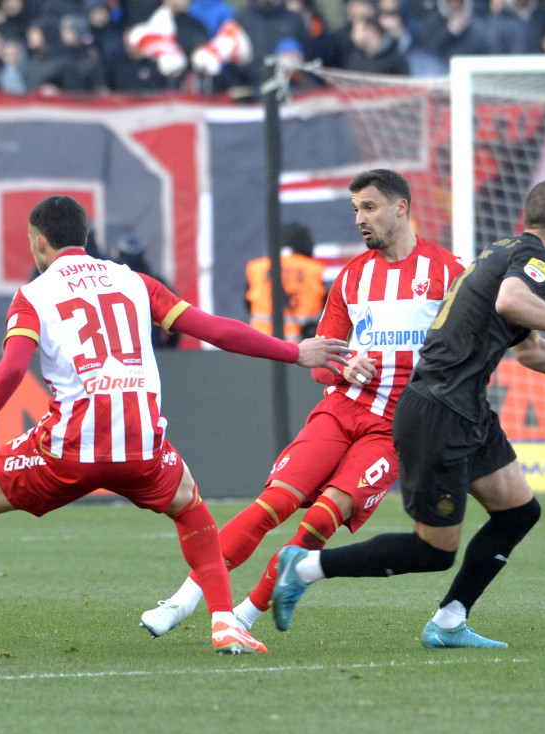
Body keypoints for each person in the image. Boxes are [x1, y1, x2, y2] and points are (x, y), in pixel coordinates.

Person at [0, 194, 351, 662]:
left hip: (68, 449)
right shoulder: (135, 281)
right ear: (85, 237)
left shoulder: (33, 295)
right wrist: (295, 351)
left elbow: (10, 371)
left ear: (38, 243)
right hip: (142, 447)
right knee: (191, 508)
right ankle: (225, 623)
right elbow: (215, 330)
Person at [271, 179, 545, 648]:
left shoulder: (501, 253)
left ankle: (450, 621)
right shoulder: (535, 259)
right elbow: (511, 301)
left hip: (465, 407)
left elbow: (532, 352)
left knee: (518, 513)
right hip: (440, 410)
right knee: (433, 551)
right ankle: (306, 566)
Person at [140, 169, 464, 637]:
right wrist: (344, 365)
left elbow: (467, 350)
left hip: (395, 426)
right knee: (272, 503)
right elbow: (320, 363)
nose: (359, 219)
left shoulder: (449, 273)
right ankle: (181, 601)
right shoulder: (352, 278)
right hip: (341, 411)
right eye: (355, 209)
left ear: (401, 207)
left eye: (369, 207)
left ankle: (244, 618)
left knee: (320, 520)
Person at [245, 221, 327, 342]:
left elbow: (248, 304)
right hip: (302, 347)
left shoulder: (256, 268)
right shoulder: (314, 269)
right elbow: (327, 303)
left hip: (262, 345)